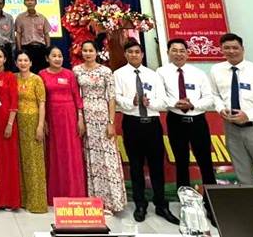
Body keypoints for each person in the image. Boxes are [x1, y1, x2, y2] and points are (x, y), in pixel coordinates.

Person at [114, 40, 179, 224]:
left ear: (142, 54)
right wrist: (131, 102)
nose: (134, 55)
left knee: (156, 165)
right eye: (130, 52)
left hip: (152, 124)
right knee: (135, 167)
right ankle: (140, 204)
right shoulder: (118, 74)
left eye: (137, 52)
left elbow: (163, 100)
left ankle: (161, 204)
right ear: (125, 54)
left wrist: (151, 103)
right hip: (132, 123)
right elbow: (116, 97)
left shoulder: (153, 74)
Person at [209, 32, 253, 191]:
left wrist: (248, 115)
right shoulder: (216, 70)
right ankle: (250, 204)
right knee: (242, 172)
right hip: (232, 129)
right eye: (227, 48)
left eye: (235, 48)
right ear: (221, 50)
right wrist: (220, 109)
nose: (231, 51)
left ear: (243, 49)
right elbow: (215, 95)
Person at [73, 41, 126, 214]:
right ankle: (95, 202)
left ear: (96, 52)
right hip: (86, 119)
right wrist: (80, 118)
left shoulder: (105, 71)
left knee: (108, 160)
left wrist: (111, 122)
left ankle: (112, 202)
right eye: (85, 50)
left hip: (103, 118)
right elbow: (76, 97)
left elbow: (111, 98)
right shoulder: (77, 71)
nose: (88, 53)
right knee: (91, 160)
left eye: (91, 50)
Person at [158, 39, 217, 195]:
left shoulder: (198, 73)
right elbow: (160, 96)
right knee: (181, 161)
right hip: (176, 121)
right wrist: (175, 103)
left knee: (205, 161)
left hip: (197, 121)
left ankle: (212, 199)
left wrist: (193, 105)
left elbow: (209, 98)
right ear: (168, 53)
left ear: (187, 53)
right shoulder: (161, 72)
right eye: (174, 50)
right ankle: (184, 198)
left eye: (182, 50)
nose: (178, 54)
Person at [39, 47, 86, 203]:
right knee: (55, 154)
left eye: (60, 56)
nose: (57, 58)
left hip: (70, 117)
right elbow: (41, 100)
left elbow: (77, 98)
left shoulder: (69, 74)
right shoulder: (42, 75)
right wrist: (43, 121)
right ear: (47, 58)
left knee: (71, 153)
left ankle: (74, 192)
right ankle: (56, 193)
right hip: (52, 118)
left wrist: (80, 118)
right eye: (54, 56)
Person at [0, 47, 22, 210]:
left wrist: (10, 123)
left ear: (5, 59)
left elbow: (14, 101)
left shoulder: (10, 77)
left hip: (6, 122)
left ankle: (9, 200)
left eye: (0, 56)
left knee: (8, 161)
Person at [15, 52, 47, 213]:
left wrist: (40, 126)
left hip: (33, 121)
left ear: (31, 63)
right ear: (16, 63)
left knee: (34, 162)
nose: (23, 63)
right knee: (21, 160)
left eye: (26, 60)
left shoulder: (37, 80)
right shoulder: (14, 78)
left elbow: (42, 104)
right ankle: (23, 199)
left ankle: (37, 202)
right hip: (17, 122)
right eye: (20, 60)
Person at [15, 0, 50, 73]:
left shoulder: (42, 17)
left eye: (32, 0)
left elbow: (46, 34)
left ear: (35, 2)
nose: (30, 2)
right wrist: (19, 49)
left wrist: (48, 49)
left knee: (41, 71)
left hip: (40, 48)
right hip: (26, 48)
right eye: (27, 0)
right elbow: (18, 34)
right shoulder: (20, 18)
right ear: (24, 3)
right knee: (27, 71)